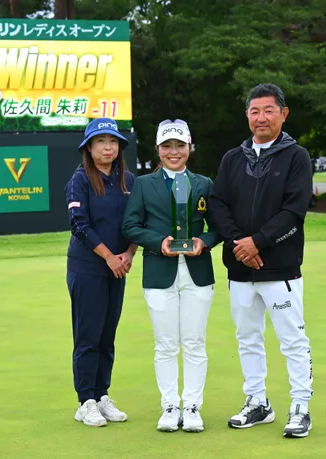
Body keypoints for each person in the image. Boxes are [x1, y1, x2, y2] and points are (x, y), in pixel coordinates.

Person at [208, 83, 314, 438]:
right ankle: (257, 402)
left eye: (269, 110)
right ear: (247, 116)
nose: (261, 117)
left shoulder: (296, 156)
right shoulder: (232, 158)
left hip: (280, 268)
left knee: (292, 339)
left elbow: (294, 210)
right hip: (240, 270)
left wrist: (258, 243)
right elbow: (218, 203)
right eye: (255, 111)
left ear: (283, 114)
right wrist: (240, 245)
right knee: (247, 337)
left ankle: (300, 406)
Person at [122, 119, 221, 433]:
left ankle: (191, 406)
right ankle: (169, 406)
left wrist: (203, 241)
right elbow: (130, 226)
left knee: (194, 342)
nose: (174, 152)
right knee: (165, 344)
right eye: (167, 146)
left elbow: (220, 227)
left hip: (197, 273)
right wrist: (157, 242)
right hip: (159, 272)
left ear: (189, 146)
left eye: (180, 145)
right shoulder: (143, 184)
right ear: (158, 149)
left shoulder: (204, 183)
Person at [64, 118, 137, 427]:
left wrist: (129, 254)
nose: (108, 147)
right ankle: (86, 401)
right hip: (88, 268)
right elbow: (79, 225)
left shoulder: (128, 180)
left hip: (117, 268)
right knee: (88, 336)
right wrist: (109, 257)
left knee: (107, 336)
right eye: (101, 141)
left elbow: (137, 221)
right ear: (89, 148)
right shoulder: (80, 180)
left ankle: (102, 394)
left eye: (113, 141)